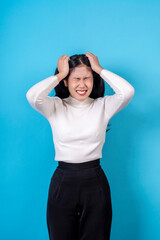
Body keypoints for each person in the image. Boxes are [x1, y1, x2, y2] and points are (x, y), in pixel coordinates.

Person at [26, 51, 135, 240]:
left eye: (87, 78)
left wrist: (99, 69)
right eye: (76, 78)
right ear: (66, 82)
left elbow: (127, 92)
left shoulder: (103, 105)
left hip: (94, 182)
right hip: (63, 182)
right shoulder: (54, 106)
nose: (82, 84)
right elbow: (32, 96)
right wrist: (59, 75)